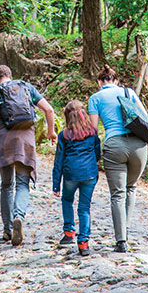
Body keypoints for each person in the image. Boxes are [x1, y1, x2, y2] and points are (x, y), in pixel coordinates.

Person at [0, 65, 57, 246]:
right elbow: (49, 110)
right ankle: (19, 216)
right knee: (23, 184)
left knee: (6, 185)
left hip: (4, 142)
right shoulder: (26, 87)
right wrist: (51, 132)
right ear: (11, 76)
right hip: (26, 141)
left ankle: (8, 230)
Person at [88, 64, 148, 253]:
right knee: (131, 187)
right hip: (138, 144)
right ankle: (126, 230)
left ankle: (121, 240)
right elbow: (144, 118)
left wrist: (95, 153)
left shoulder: (95, 98)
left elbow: (93, 130)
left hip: (114, 146)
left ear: (99, 82)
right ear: (116, 81)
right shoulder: (128, 92)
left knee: (118, 193)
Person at [52, 100, 101, 256]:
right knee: (84, 208)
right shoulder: (92, 132)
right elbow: (97, 153)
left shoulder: (64, 135)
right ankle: (83, 243)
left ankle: (68, 233)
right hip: (89, 174)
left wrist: (56, 185)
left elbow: (59, 160)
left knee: (67, 200)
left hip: (71, 175)